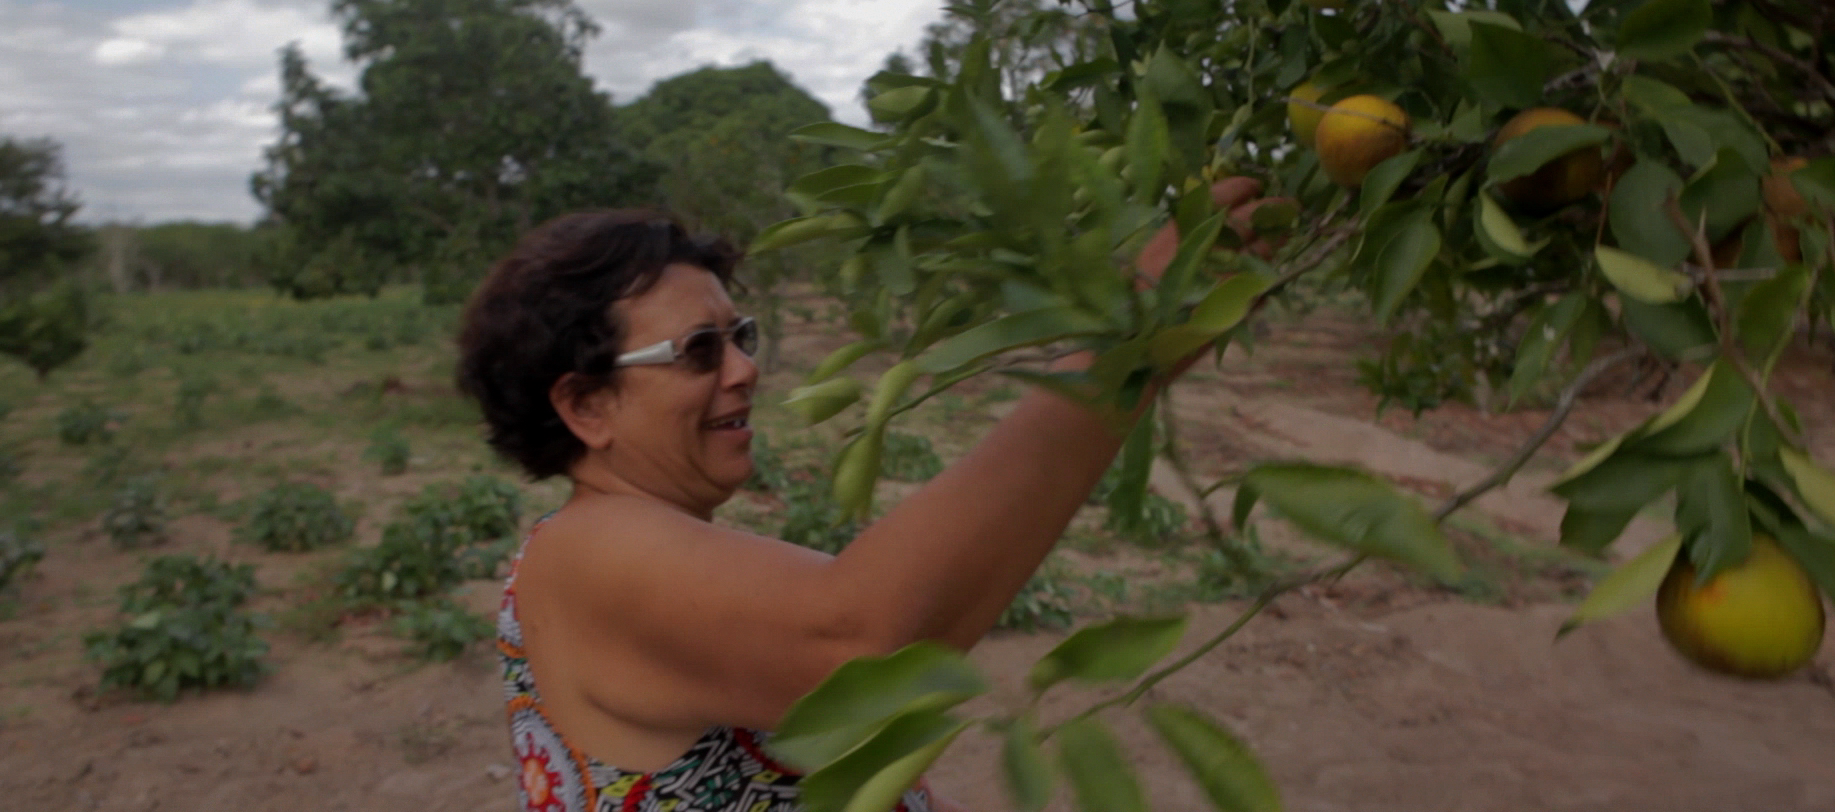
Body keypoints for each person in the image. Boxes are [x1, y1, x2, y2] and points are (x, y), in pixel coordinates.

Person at [457, 177, 1279, 812]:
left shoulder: (622, 544)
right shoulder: (590, 553)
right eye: (699, 350)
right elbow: (866, 642)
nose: (744, 368)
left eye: (740, 337)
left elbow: (903, 646)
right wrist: (1130, 335)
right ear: (586, 405)